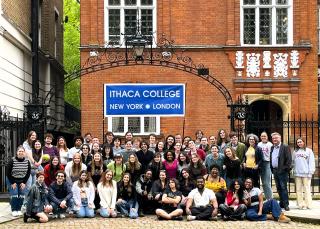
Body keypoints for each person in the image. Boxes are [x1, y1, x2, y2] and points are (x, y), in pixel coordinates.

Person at [6, 146, 31, 217]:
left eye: (22, 151)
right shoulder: (12, 161)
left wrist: (24, 182)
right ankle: (14, 210)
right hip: (12, 179)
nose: (21, 152)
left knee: (22, 194)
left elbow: (28, 173)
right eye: (19, 151)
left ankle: (19, 209)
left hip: (22, 180)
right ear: (17, 152)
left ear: (24, 153)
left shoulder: (27, 161)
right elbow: (8, 173)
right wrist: (13, 182)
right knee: (15, 194)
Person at [270, 132, 292, 211]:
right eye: (273, 138)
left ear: (280, 138)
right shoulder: (272, 147)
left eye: (276, 138)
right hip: (275, 170)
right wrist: (272, 169)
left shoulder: (285, 147)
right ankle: (282, 203)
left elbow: (289, 160)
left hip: (282, 171)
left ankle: (286, 204)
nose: (275, 139)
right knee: (278, 188)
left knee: (283, 188)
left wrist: (284, 169)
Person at [293, 137, 315, 209]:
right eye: (298, 142)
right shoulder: (295, 151)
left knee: (307, 189)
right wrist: (293, 170)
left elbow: (311, 162)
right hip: (297, 174)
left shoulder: (309, 151)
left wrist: (310, 172)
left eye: (300, 142)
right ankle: (300, 204)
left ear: (304, 142)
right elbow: (293, 162)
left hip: (306, 173)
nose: (299, 143)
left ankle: (308, 204)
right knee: (298, 189)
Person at [257, 131, 273, 200]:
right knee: (261, 183)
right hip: (260, 163)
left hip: (267, 163)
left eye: (265, 136)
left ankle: (270, 198)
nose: (263, 137)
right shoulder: (258, 144)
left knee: (266, 183)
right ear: (260, 137)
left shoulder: (270, 145)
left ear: (267, 137)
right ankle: (261, 198)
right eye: (262, 136)